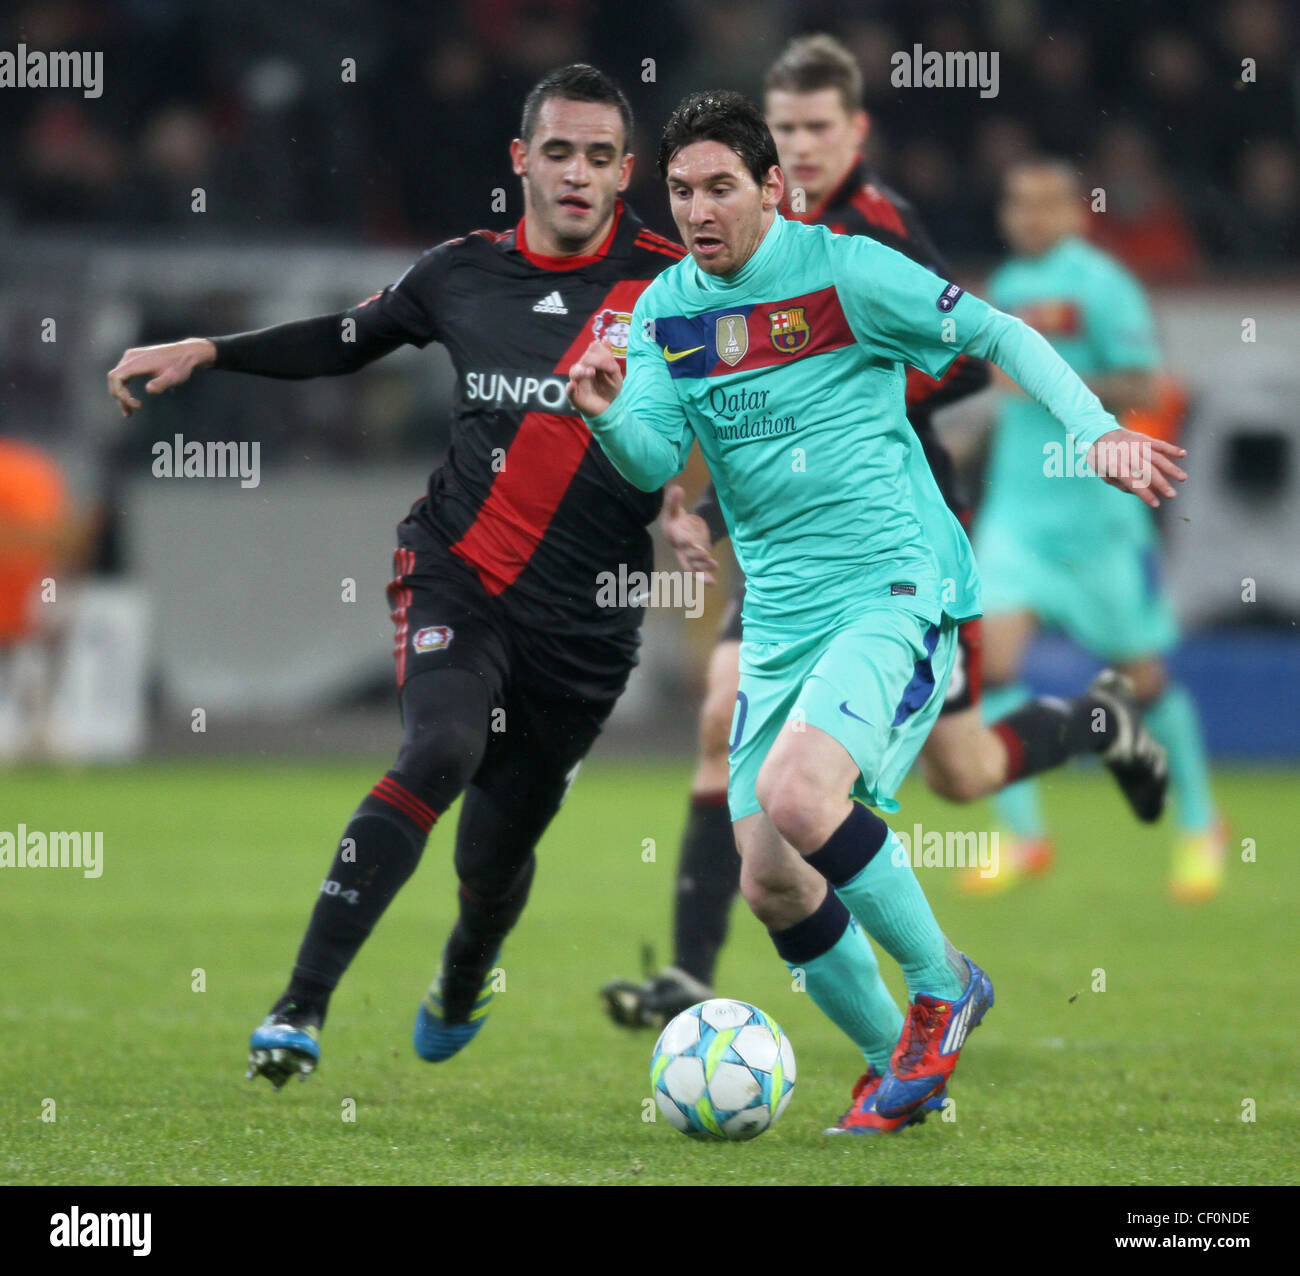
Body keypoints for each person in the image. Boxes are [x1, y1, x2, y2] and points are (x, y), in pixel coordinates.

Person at [567, 91, 1186, 1133]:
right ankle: (891, 1069)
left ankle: (943, 990)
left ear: (772, 189)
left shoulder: (845, 271)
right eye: (680, 192)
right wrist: (602, 415)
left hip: (892, 587)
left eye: (722, 186)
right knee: (768, 877)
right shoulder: (666, 310)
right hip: (780, 619)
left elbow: (995, 331)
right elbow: (646, 458)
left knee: (801, 794)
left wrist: (1092, 430)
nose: (699, 210)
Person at [106, 64, 689, 1087]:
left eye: (600, 158)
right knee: (438, 750)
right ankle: (299, 1007)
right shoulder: (460, 270)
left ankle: (466, 972)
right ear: (521, 159)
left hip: (587, 623)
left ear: (625, 171)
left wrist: (692, 506)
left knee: (492, 864)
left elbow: (725, 410)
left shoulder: (677, 281)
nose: (577, 175)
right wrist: (209, 348)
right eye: (558, 152)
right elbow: (346, 340)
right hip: (457, 572)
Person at [974, 158, 1225, 902]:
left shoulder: (1104, 285)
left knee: (1142, 680)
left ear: (1077, 213)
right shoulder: (1008, 290)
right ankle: (1024, 837)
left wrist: (1057, 383)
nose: (1029, 217)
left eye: (1045, 204)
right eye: (1017, 203)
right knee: (987, 666)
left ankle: (1201, 823)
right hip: (1017, 519)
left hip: (1095, 522)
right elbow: (1005, 402)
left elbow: (1145, 385)